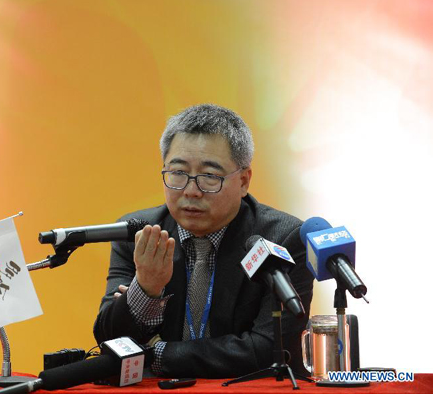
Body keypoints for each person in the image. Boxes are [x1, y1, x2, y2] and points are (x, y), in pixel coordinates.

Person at [93, 104, 314, 378]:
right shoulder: (139, 235)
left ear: (244, 181)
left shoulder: (283, 239)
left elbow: (270, 348)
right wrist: (146, 289)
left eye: (209, 176)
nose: (191, 190)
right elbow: (109, 341)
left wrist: (156, 352)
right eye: (178, 172)